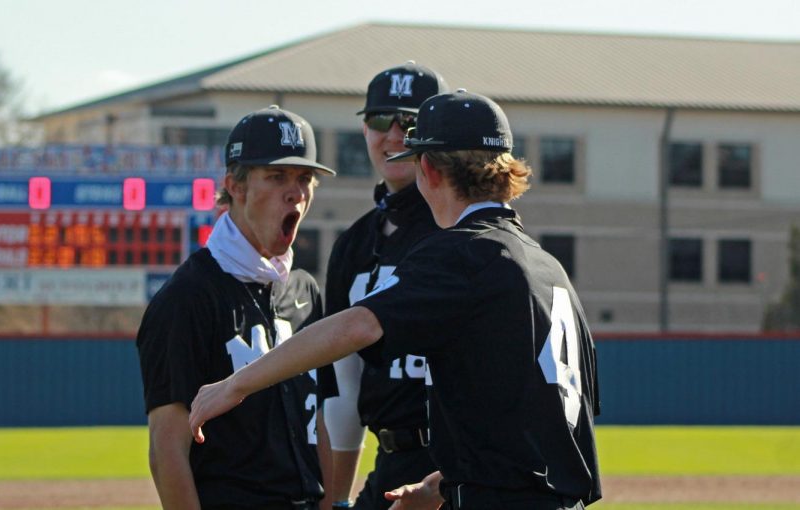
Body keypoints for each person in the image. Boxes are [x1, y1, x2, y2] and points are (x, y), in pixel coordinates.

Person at [189, 90, 602, 510]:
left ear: (428, 169)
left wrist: (236, 384)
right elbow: (523, 425)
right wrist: (438, 488)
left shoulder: (464, 251)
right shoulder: (548, 268)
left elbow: (359, 326)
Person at [136, 105, 338, 510]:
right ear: (236, 186)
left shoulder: (303, 290)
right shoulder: (187, 297)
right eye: (276, 176)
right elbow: (166, 448)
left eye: (304, 178)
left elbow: (319, 422)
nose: (295, 192)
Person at [323, 61, 447, 510]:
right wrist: (336, 499)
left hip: (459, 466)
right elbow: (344, 386)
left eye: (410, 123)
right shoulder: (354, 245)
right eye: (380, 120)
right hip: (390, 462)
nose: (393, 135)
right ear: (364, 130)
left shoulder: (465, 228)